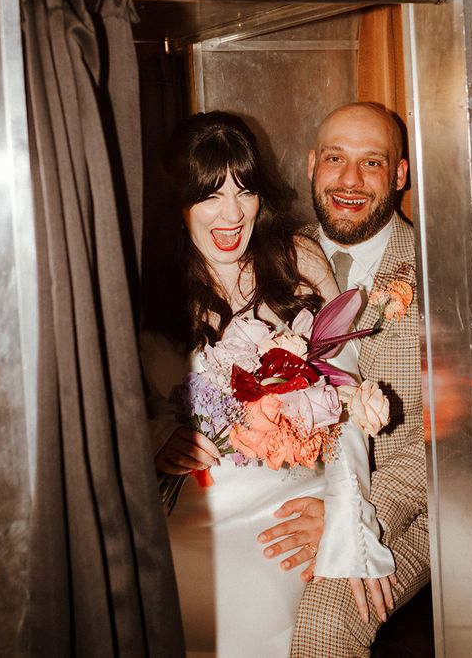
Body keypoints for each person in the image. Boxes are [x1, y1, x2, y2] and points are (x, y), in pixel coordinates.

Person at [140, 110, 395, 658]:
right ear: (179, 203)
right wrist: (158, 434)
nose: (232, 214)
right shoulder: (147, 287)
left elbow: (348, 400)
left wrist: (348, 522)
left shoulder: (298, 260)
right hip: (193, 504)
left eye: (245, 191)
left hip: (288, 496)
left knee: (249, 601)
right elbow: (119, 406)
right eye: (210, 195)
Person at [256, 102, 430, 657]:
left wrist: (349, 514)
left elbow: (450, 443)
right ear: (312, 165)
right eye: (335, 159)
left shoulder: (440, 274)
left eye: (371, 163)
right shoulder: (272, 260)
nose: (350, 181)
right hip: (287, 491)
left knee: (329, 619)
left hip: (408, 500)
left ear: (400, 175)